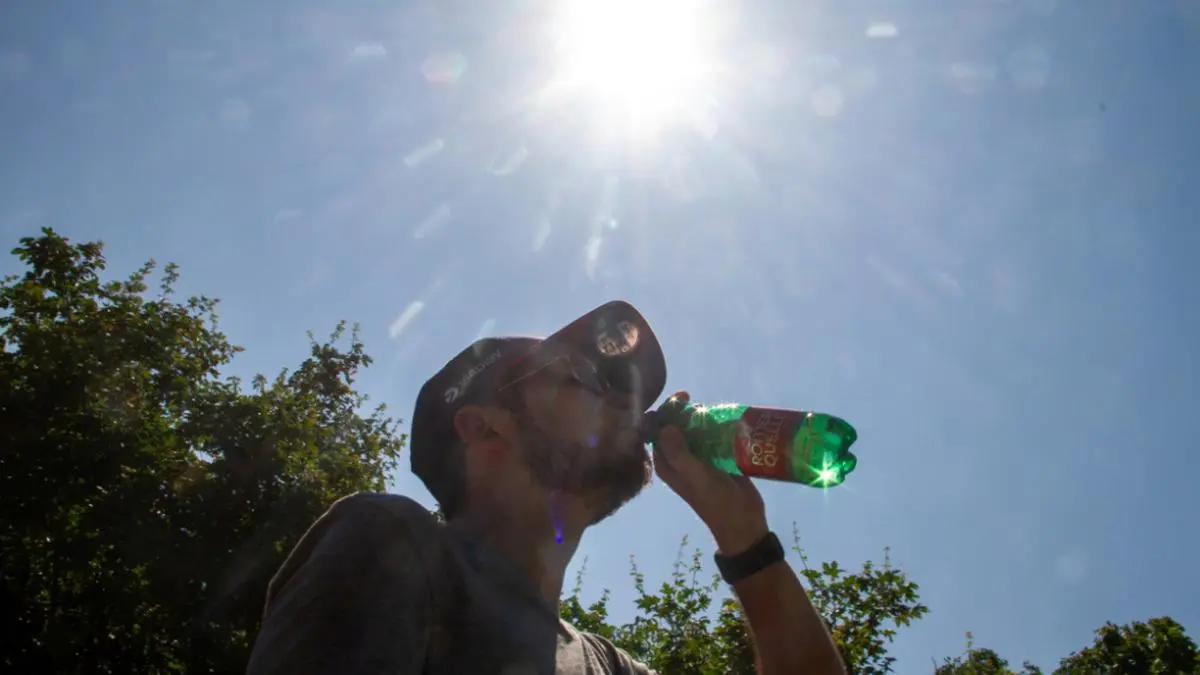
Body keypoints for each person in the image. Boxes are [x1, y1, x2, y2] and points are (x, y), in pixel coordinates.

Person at [245, 301, 845, 674]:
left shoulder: (608, 666)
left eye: (628, 387)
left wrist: (746, 540)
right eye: (585, 375)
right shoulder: (393, 547)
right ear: (484, 428)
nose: (627, 401)